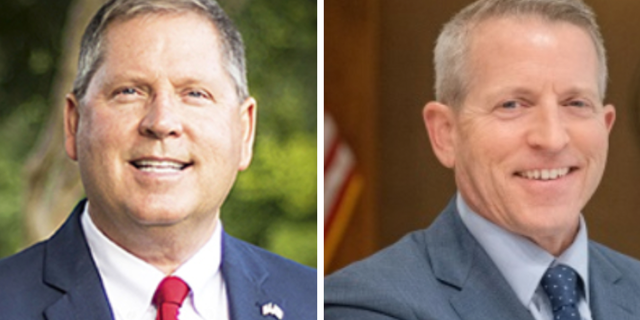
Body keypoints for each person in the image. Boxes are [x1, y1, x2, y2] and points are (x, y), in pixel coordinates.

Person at [0, 0, 316, 319]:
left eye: (195, 94)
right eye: (129, 91)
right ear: (74, 123)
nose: (162, 122)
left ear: (245, 131)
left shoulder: (316, 303)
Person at [325, 0, 640, 319]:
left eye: (575, 103)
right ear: (445, 134)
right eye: (512, 105)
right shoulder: (365, 305)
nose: (552, 138)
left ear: (606, 125)